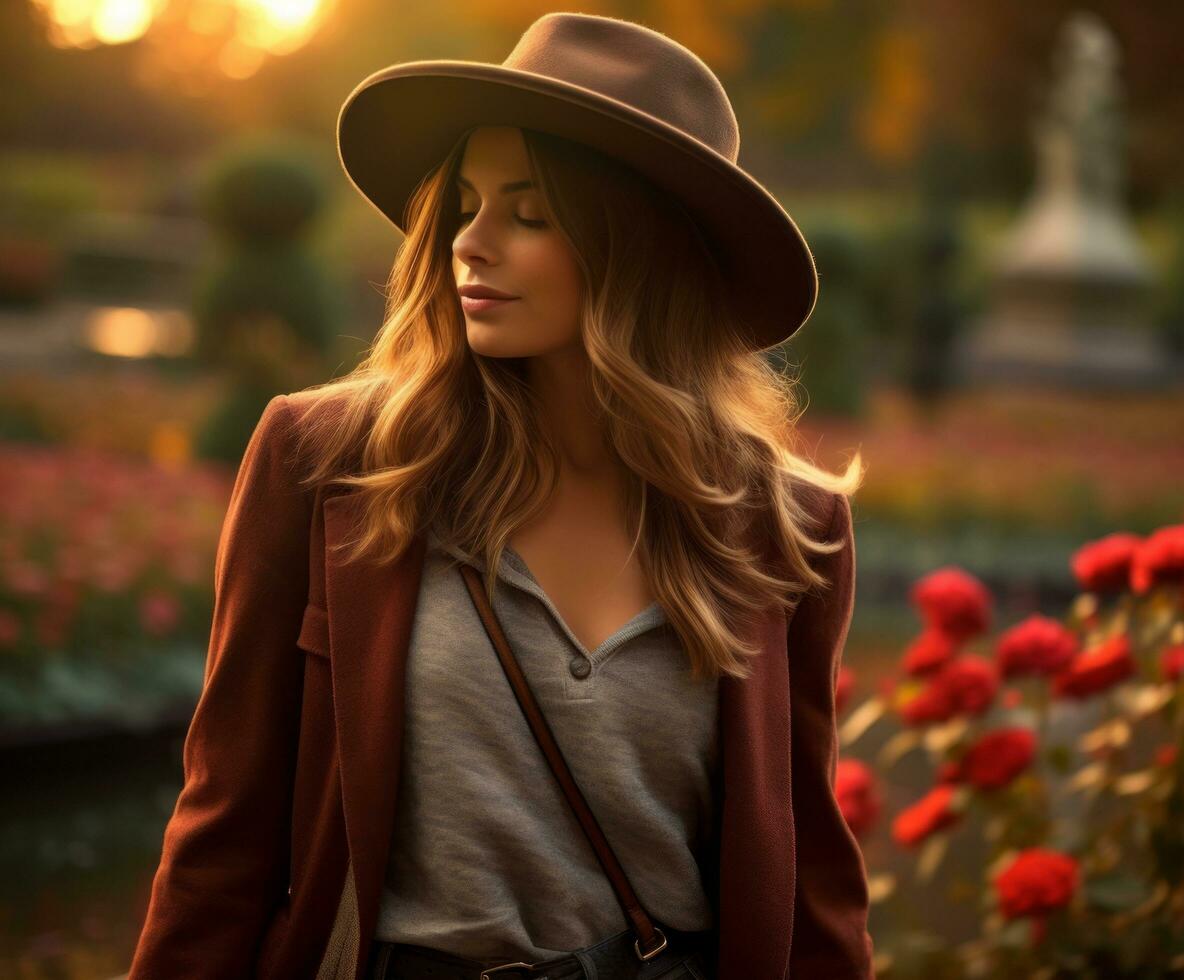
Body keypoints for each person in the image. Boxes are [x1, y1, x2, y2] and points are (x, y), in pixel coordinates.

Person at [128, 12, 874, 980]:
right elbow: (222, 838)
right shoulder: (328, 465)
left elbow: (813, 885)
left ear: (635, 248)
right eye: (465, 204)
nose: (468, 245)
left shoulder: (787, 526)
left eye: (528, 213)